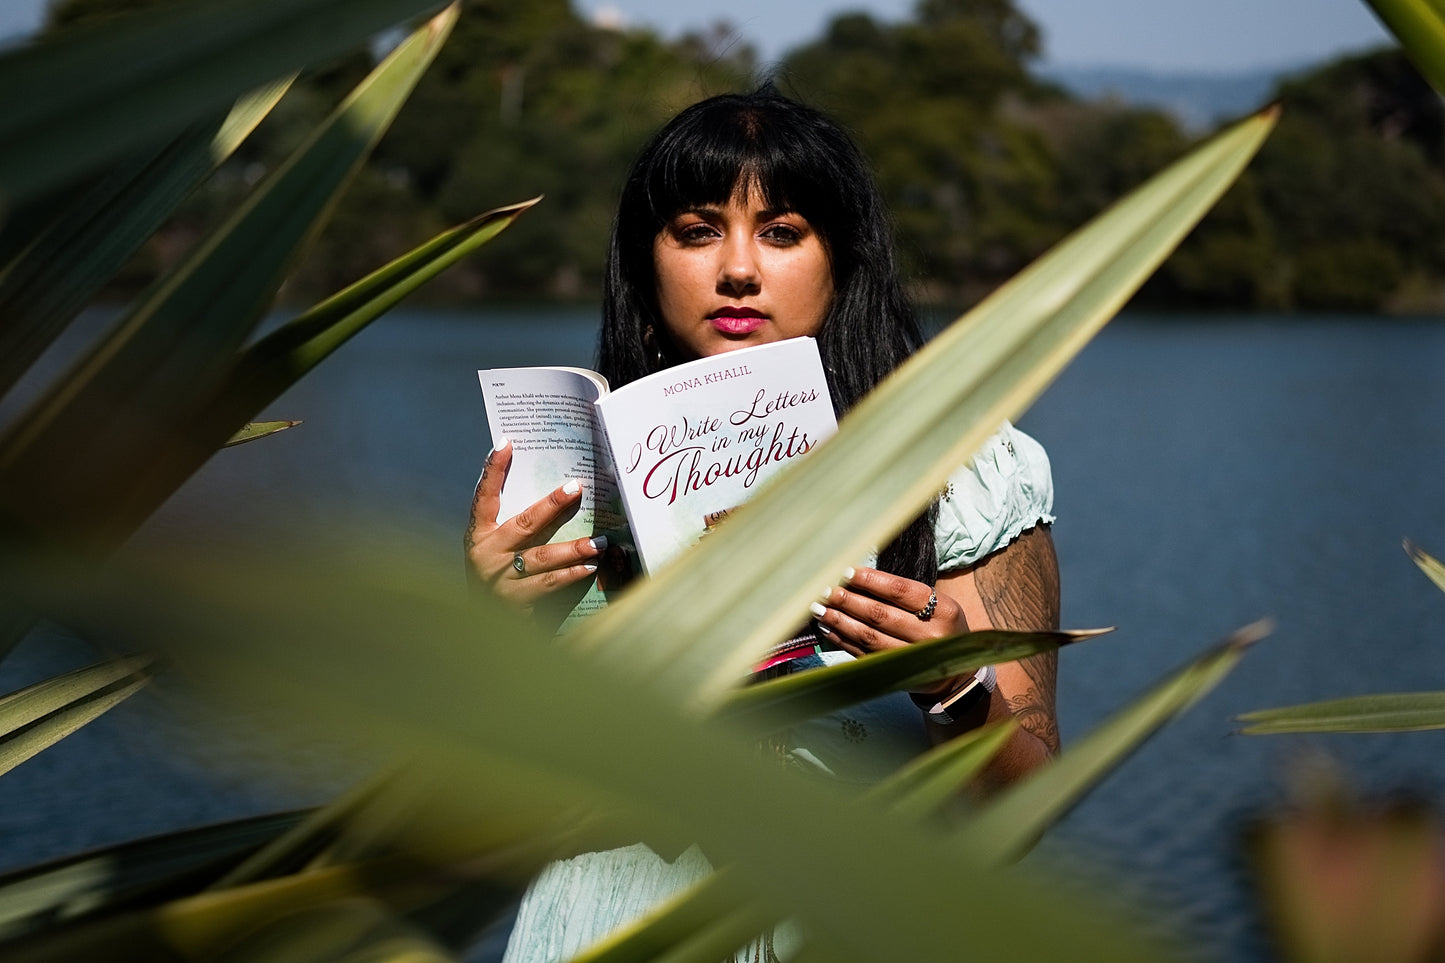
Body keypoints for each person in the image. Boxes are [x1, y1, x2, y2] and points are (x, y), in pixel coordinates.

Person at [464, 86, 1059, 962]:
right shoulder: (560, 478)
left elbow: (1027, 810)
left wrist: (949, 686)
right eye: (697, 229)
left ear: (840, 256)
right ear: (646, 257)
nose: (736, 268)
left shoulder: (967, 471)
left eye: (781, 232)